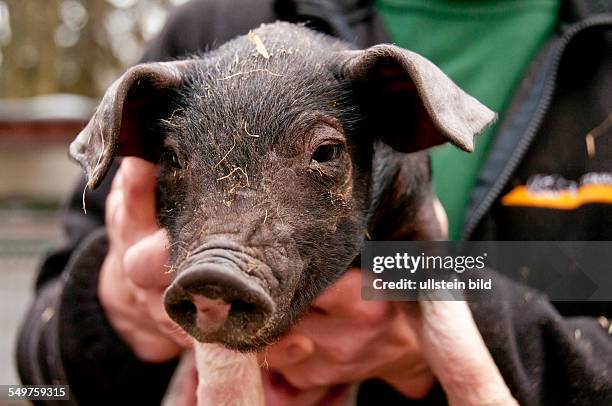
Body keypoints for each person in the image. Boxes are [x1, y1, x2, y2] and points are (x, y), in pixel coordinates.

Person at [17, 0, 612, 405]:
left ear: (409, 115)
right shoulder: (212, 22)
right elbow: (39, 362)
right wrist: (112, 309)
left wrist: (420, 301)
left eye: (324, 154)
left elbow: (590, 277)